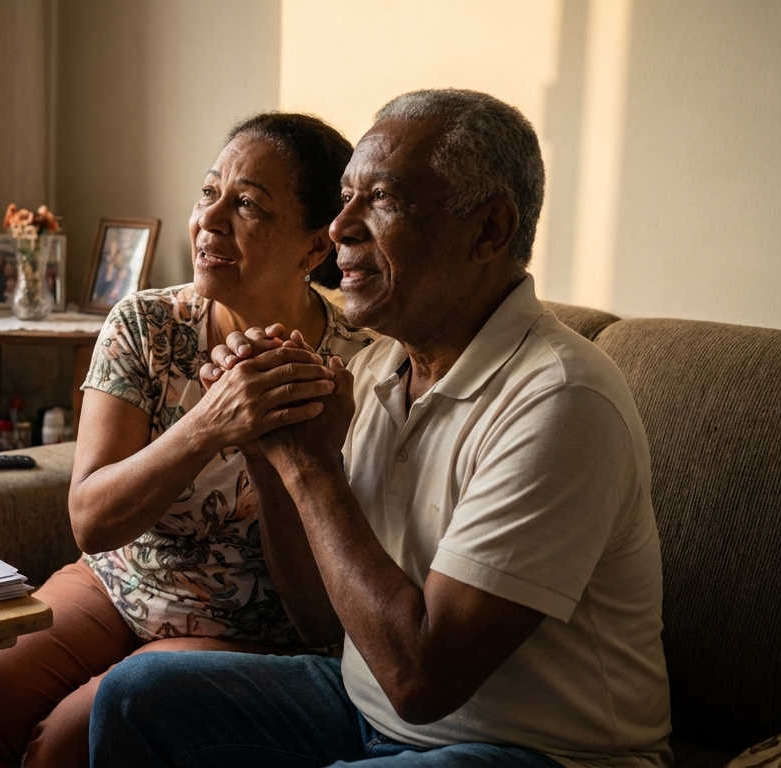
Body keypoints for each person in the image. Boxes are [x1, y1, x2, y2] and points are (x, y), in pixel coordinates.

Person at [91, 89, 672, 767]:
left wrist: (311, 469)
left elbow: (422, 679)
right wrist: (265, 446)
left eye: (383, 199)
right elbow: (317, 620)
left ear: (490, 230)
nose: (340, 229)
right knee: (139, 696)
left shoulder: (560, 401)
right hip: (364, 708)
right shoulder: (372, 372)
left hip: (533, 751)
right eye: (345, 198)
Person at [0, 112, 378, 767]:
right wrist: (209, 423)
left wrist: (263, 443)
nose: (210, 220)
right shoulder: (147, 324)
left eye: (247, 204)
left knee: (70, 739)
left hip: (251, 628)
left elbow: (315, 610)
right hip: (117, 581)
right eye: (208, 192)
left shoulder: (357, 368)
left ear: (314, 247)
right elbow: (91, 521)